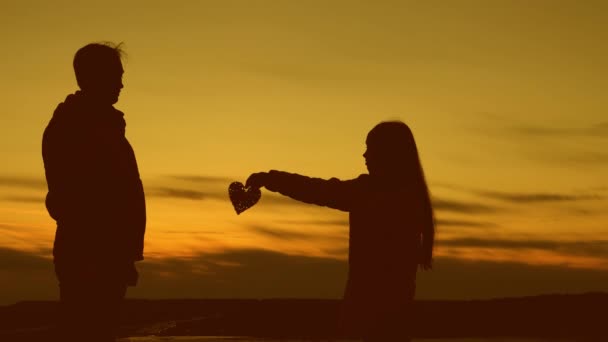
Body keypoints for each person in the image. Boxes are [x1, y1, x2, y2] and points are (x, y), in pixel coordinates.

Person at [246, 121, 435, 341]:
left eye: (370, 148)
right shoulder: (412, 197)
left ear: (387, 153)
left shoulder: (370, 193)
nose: (364, 155)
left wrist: (271, 178)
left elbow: (319, 190)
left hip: (366, 309)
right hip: (398, 308)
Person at [42, 42, 146, 342]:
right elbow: (84, 198)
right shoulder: (77, 126)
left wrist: (124, 253)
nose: (121, 84)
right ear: (93, 77)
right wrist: (115, 251)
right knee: (88, 330)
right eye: (115, 76)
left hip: (104, 252)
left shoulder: (99, 125)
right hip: (91, 253)